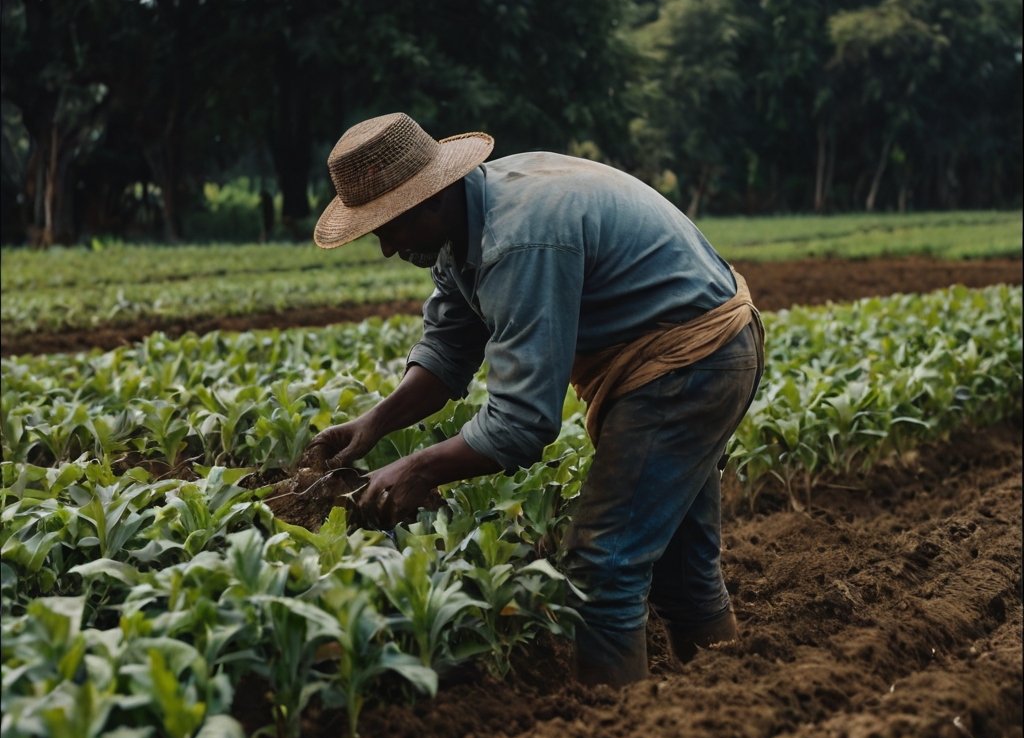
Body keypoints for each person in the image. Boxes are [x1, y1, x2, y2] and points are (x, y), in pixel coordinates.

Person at [308, 112, 764, 687]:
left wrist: (419, 468)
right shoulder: (464, 226)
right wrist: (374, 424)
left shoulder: (518, 237)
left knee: (604, 567)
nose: (386, 247)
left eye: (388, 226)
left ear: (432, 198)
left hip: (688, 367)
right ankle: (730, 711)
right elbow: (448, 350)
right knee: (682, 570)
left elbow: (523, 422)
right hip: (699, 356)